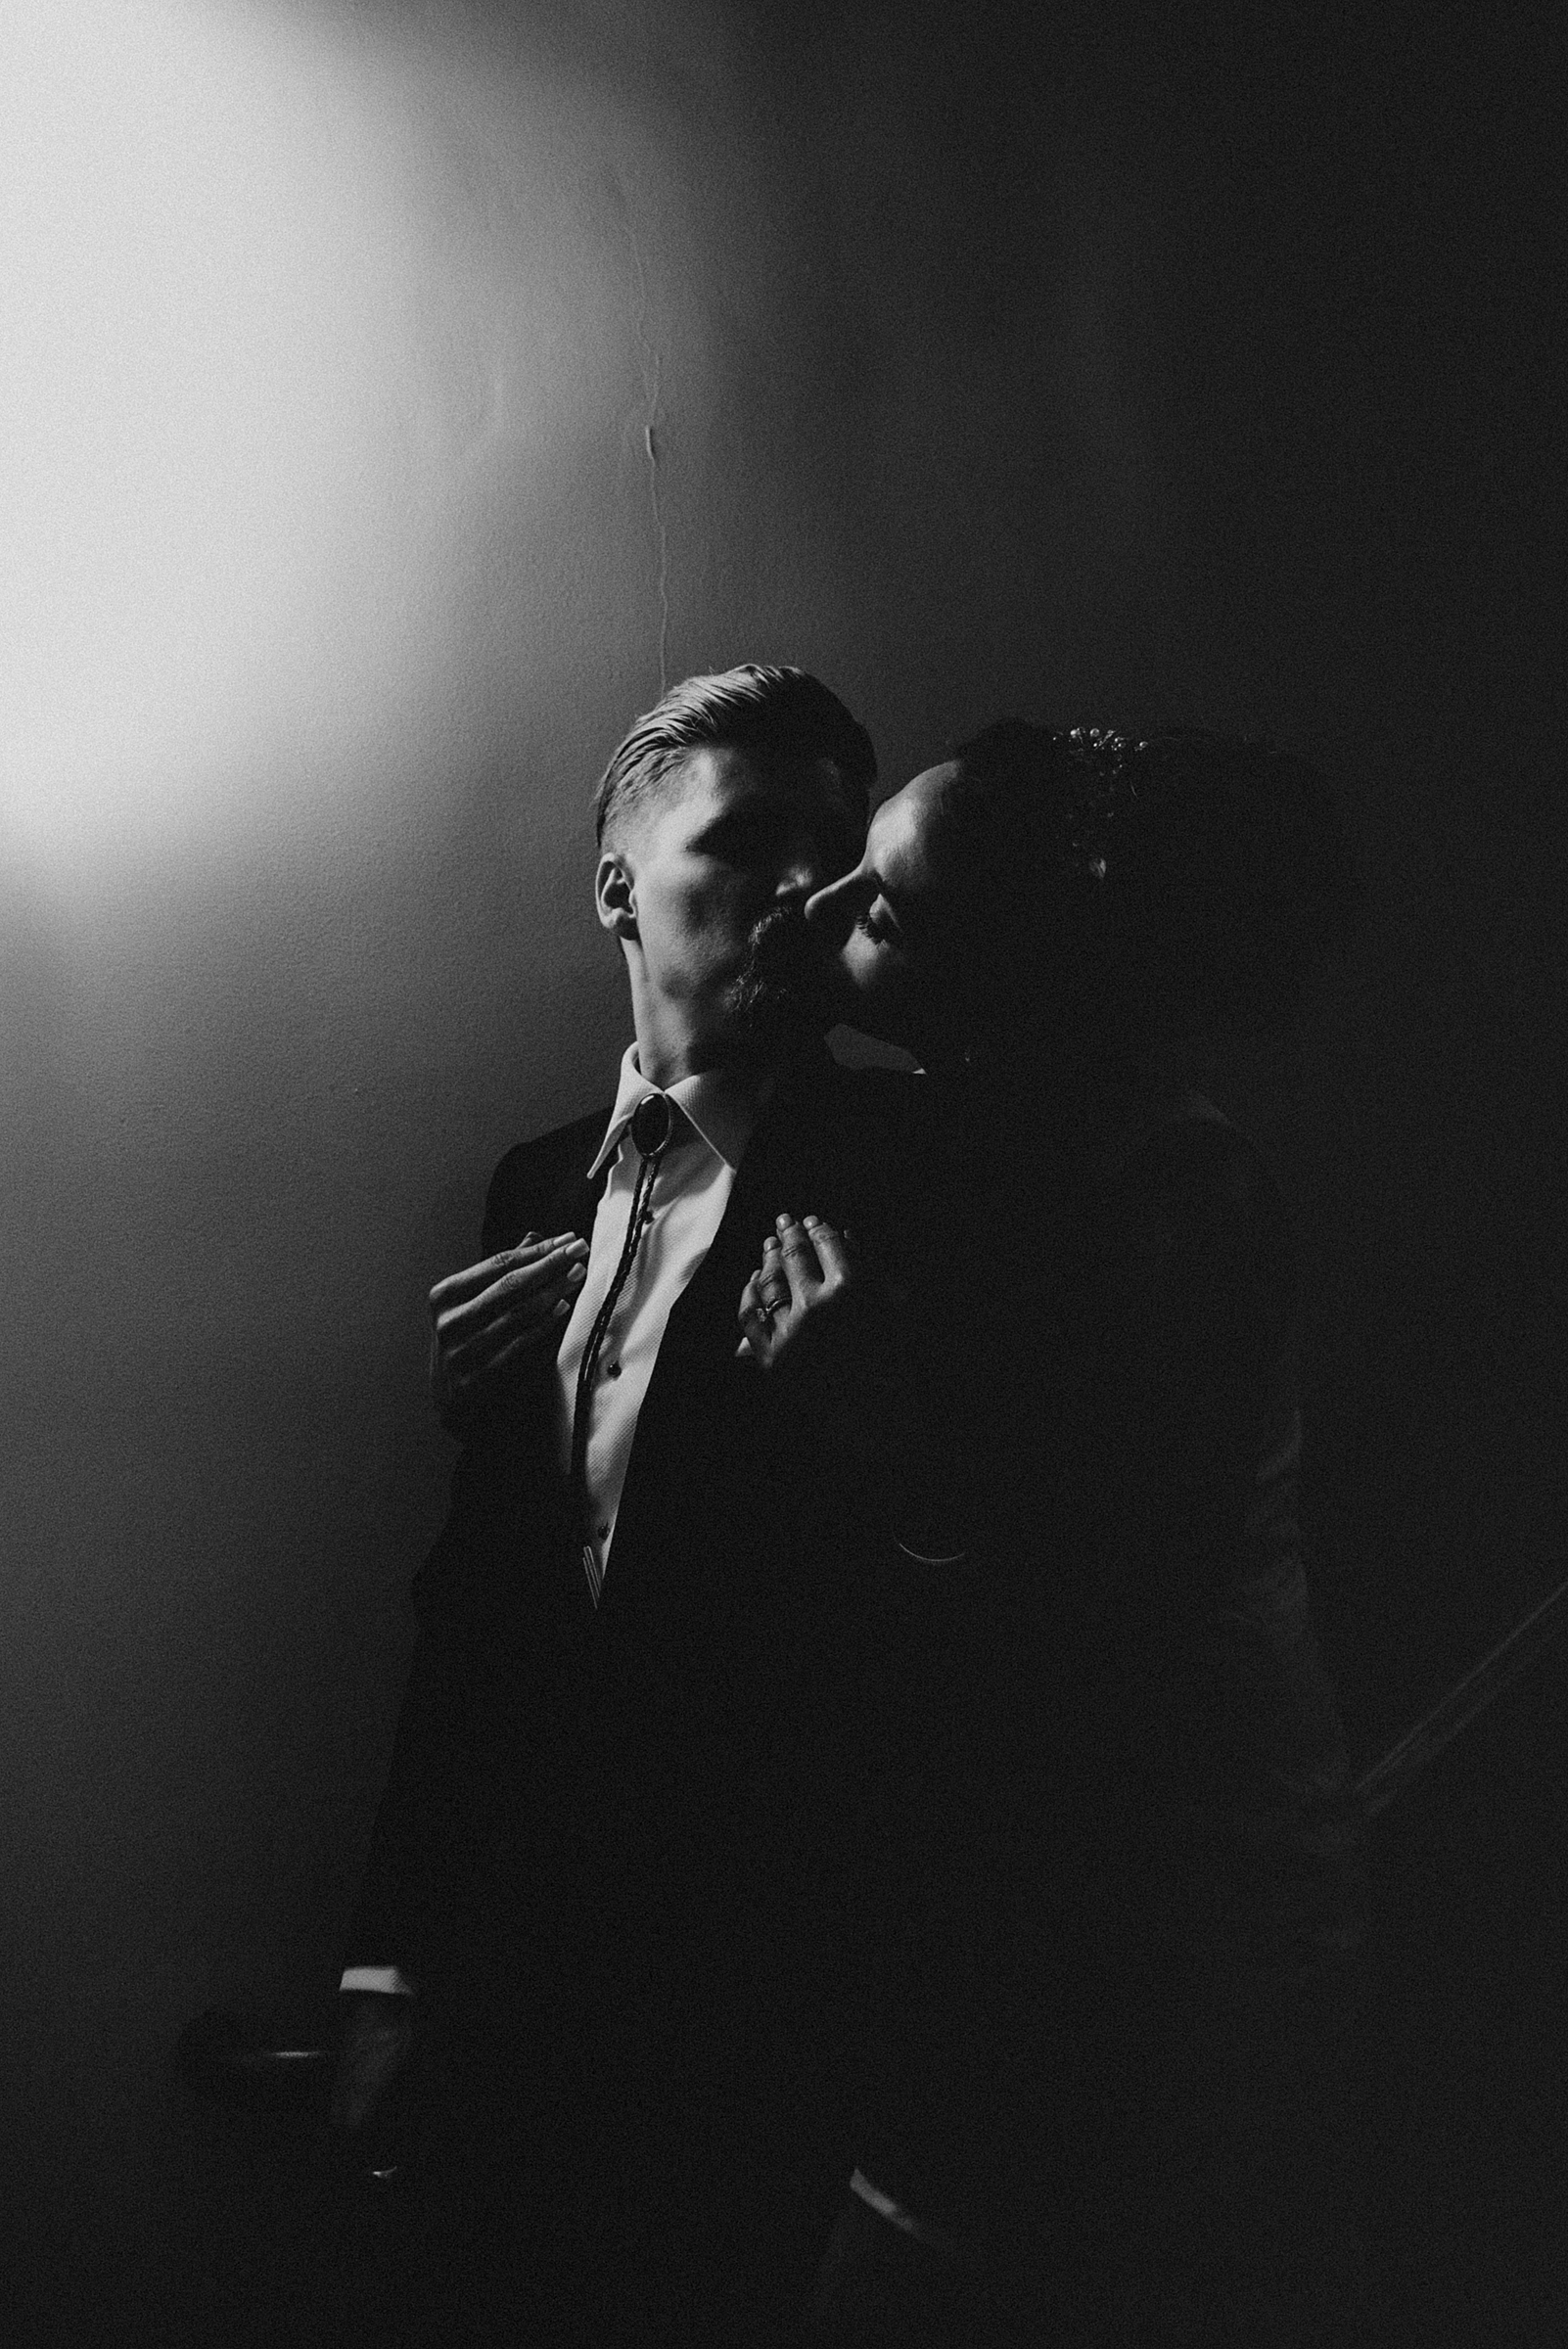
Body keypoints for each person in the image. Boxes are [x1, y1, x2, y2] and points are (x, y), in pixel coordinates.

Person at [755, 723, 1371, 2343]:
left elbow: (1085, 1646)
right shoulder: (989, 1141)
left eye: (881, 911)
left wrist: (886, 1430)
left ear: (1019, 989)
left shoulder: (1172, 1202)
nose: (809, 912)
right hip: (1031, 1911)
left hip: (1150, 1932)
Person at [329, 665, 915, 2347]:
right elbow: (481, 1606)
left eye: (831, 850)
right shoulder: (535, 1186)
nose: (801, 885)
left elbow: (1010, 1609)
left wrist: (878, 1419)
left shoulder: (920, 1170)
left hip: (783, 2004)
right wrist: (391, 1960)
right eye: (744, 840)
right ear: (618, 892)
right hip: (524, 1984)